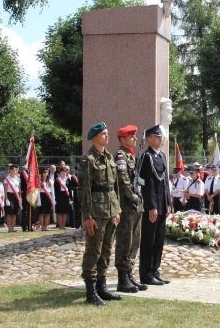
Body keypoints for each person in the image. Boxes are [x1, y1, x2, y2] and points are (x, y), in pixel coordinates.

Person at [77, 122, 122, 306]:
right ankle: (90, 290)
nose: (107, 136)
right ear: (94, 137)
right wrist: (87, 216)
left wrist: (117, 209)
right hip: (96, 211)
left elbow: (115, 186)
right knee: (93, 251)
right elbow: (84, 190)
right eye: (103, 134)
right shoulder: (88, 159)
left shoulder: (109, 157)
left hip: (110, 210)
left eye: (107, 133)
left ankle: (101, 287)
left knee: (106, 250)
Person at [113, 125, 148, 294]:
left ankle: (129, 273)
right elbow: (123, 178)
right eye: (131, 136)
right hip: (127, 206)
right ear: (122, 139)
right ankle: (122, 278)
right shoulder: (121, 156)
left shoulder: (132, 156)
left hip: (136, 205)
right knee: (125, 241)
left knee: (135, 241)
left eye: (135, 136)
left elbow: (136, 179)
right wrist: (130, 195)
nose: (134, 139)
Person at [139, 125, 171, 287]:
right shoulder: (147, 157)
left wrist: (168, 202)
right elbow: (147, 184)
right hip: (153, 206)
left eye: (161, 137)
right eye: (158, 137)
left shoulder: (162, 156)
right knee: (148, 240)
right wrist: (152, 206)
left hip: (162, 204)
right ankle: (146, 273)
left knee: (158, 240)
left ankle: (155, 270)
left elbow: (165, 182)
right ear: (149, 138)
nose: (161, 139)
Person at [3, 165, 21, 232]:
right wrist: (6, 199)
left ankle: (13, 227)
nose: (14, 171)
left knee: (14, 213)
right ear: (9, 171)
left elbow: (19, 189)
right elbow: (5, 190)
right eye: (12, 170)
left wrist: (20, 198)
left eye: (15, 170)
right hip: (9, 195)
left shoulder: (18, 179)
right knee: (9, 213)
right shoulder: (6, 179)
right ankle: (9, 228)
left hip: (16, 196)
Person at [54, 166, 71, 230]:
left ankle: (63, 225)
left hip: (66, 196)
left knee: (65, 212)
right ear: (60, 173)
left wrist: (70, 198)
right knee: (60, 212)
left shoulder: (68, 179)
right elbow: (55, 190)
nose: (64, 173)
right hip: (59, 196)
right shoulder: (57, 180)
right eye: (63, 172)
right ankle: (60, 226)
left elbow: (69, 189)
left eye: (65, 172)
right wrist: (55, 198)